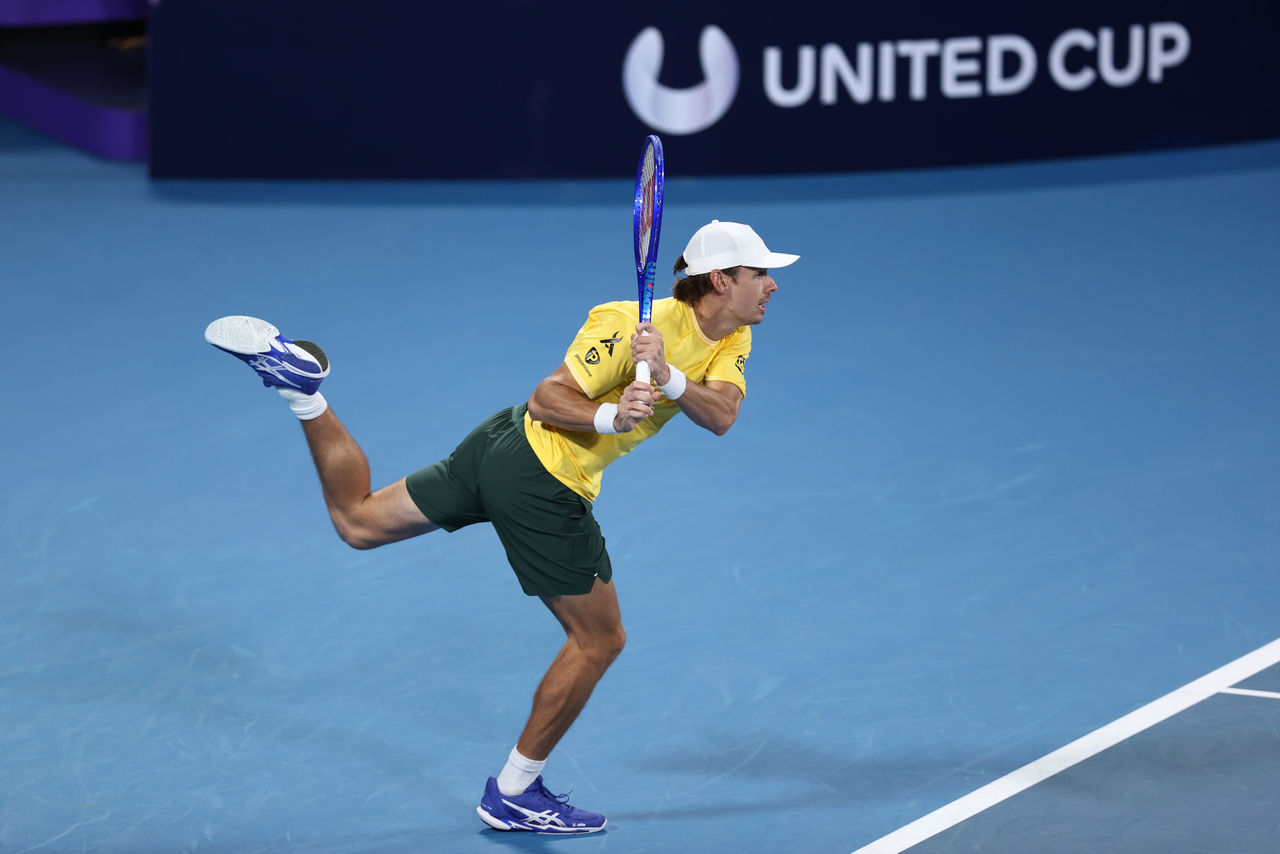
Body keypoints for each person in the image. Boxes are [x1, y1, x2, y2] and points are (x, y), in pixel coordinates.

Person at [204, 219, 799, 834]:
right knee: (600, 640)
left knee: (358, 522)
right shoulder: (625, 324)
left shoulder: (731, 336)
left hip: (500, 448)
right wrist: (610, 417)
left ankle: (304, 394)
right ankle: (514, 791)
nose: (773, 287)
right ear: (722, 280)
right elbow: (548, 398)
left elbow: (723, 414)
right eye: (761, 274)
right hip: (541, 477)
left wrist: (669, 373)